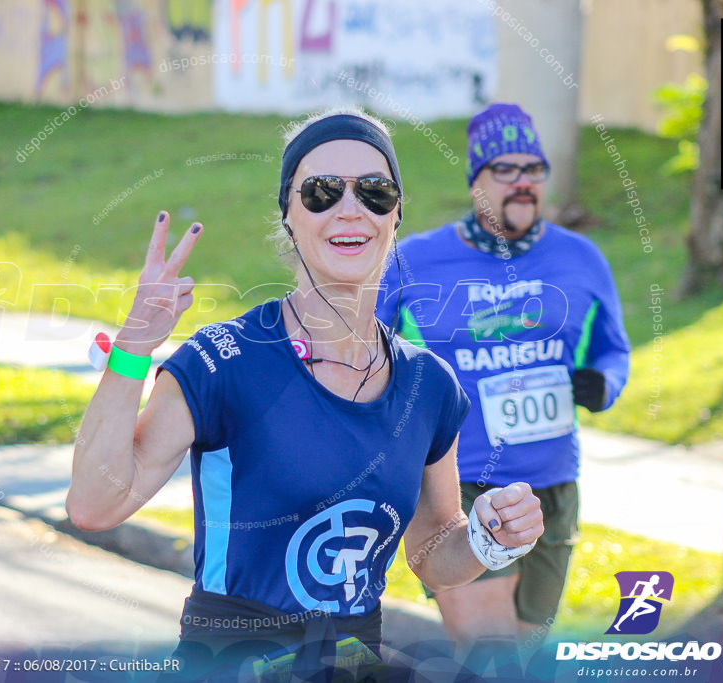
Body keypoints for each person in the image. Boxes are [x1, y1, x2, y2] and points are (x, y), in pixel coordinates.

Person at [66, 108, 544, 680]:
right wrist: (133, 349)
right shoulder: (225, 361)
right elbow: (94, 505)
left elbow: (434, 555)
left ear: (395, 215)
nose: (351, 209)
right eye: (320, 192)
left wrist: (490, 540)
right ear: (289, 216)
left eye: (374, 191)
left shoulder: (428, 384)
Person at [377, 103, 631, 649]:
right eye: (505, 170)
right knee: (487, 658)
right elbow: (364, 349)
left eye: (533, 169)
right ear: (476, 181)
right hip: (460, 487)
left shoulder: (582, 259)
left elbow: (615, 352)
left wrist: (603, 384)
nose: (523, 183)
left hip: (554, 487)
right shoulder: (415, 260)